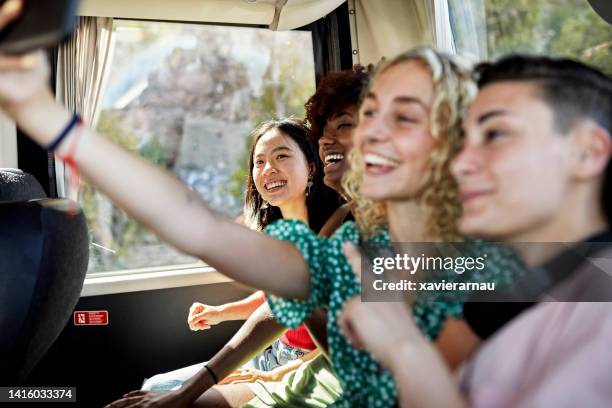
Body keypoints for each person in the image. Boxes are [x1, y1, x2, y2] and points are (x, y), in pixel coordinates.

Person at [0, 6, 514, 401]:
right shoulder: (345, 221)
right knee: (154, 395)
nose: (332, 140)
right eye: (328, 128)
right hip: (316, 377)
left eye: (353, 125)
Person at [338, 55, 612, 407]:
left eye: (496, 134)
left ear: (588, 152)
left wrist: (402, 344)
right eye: (464, 140)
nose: (460, 162)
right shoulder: (519, 297)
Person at [136, 118, 333, 397]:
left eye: (281, 156)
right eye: (259, 161)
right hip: (272, 353)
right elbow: (273, 302)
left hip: (301, 367)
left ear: (311, 166)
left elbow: (340, 339)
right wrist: (220, 312)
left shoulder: (328, 237)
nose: (268, 169)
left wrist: (277, 374)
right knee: (155, 386)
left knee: (161, 395)